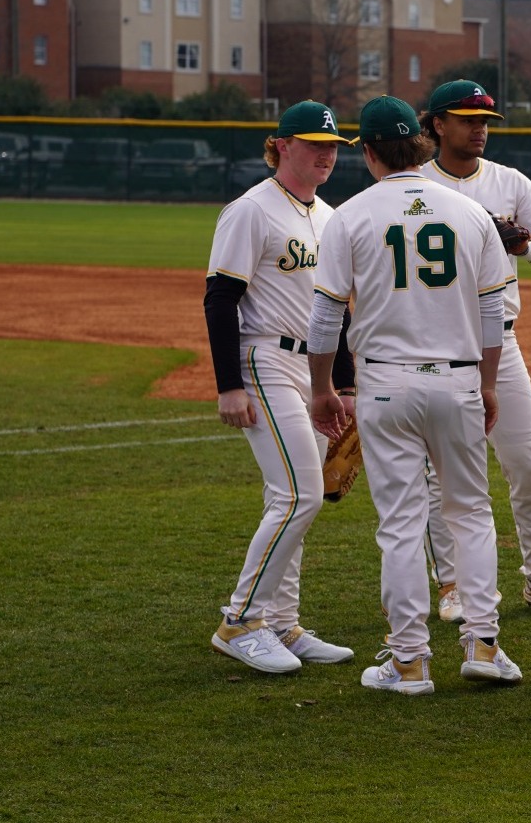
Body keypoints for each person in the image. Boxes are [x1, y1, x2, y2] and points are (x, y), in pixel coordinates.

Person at [304, 95, 521, 696]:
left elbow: (325, 320)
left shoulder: (348, 215)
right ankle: (483, 645)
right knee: (471, 514)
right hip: (457, 380)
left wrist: (323, 388)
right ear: (422, 145)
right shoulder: (468, 211)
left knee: (401, 524)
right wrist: (486, 381)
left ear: (368, 151)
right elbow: (493, 309)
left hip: (385, 385)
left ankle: (409, 663)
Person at [417, 79, 531, 621]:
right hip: (434, 343)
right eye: (468, 119)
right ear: (436, 125)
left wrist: (528, 248)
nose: (479, 129)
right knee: (439, 472)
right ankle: (451, 585)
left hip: (502, 341)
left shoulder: (510, 181)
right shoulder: (415, 183)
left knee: (524, 461)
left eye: (486, 121)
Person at [203, 100, 358, 674]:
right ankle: (240, 621)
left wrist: (341, 383)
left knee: (294, 496)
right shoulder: (251, 211)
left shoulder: (328, 215)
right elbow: (221, 299)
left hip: (309, 367)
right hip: (263, 360)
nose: (326, 154)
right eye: (314, 143)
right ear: (282, 145)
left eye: (333, 146)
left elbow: (334, 311)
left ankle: (282, 623)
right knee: (300, 494)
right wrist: (228, 386)